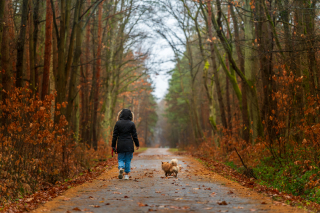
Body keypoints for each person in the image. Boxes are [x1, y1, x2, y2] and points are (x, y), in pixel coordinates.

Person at [112, 109, 139, 180]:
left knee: (120, 159)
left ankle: (121, 168)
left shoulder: (118, 123)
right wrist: (137, 144)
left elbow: (115, 135)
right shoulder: (131, 124)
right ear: (130, 115)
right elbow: (134, 135)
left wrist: (113, 145)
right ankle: (126, 175)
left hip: (120, 143)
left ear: (121, 115)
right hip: (129, 144)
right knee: (128, 160)